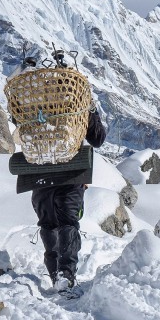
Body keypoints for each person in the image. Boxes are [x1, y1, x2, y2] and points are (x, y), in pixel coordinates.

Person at [30, 107, 106, 294]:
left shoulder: (31, 101)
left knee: (48, 224)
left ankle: (56, 276)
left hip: (39, 175)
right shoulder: (77, 104)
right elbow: (97, 139)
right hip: (70, 172)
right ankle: (65, 276)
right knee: (68, 224)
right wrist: (92, 112)